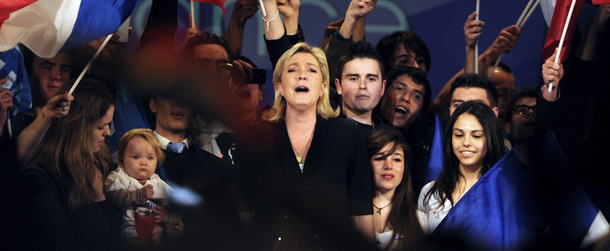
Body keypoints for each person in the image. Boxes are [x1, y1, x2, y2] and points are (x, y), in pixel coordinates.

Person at [238, 42, 374, 250]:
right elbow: (244, 213)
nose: (302, 75)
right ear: (280, 87)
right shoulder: (257, 138)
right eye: (292, 70)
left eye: (311, 70)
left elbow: (361, 215)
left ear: (322, 88)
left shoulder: (347, 135)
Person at [20, 78, 125, 250]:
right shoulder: (41, 179)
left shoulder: (104, 163)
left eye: (108, 125)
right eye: (100, 127)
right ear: (78, 126)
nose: (107, 133)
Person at [417, 101, 506, 233]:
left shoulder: (504, 193)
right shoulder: (431, 192)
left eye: (476, 136)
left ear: (490, 138)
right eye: (459, 135)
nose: (466, 143)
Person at [105, 128, 179, 244]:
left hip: (155, 235)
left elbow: (177, 204)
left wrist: (166, 216)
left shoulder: (157, 182)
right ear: (122, 159)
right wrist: (138, 195)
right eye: (136, 157)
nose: (143, 162)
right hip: (130, 237)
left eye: (150, 158)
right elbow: (114, 196)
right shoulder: (120, 176)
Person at [13, 50, 74, 161]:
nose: (57, 76)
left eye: (64, 69)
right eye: (47, 67)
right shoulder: (12, 119)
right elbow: (16, 157)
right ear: (29, 72)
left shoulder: (76, 121)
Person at [367, 129, 422, 250]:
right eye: (380, 158)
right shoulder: (349, 212)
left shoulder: (419, 218)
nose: (388, 166)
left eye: (396, 159)